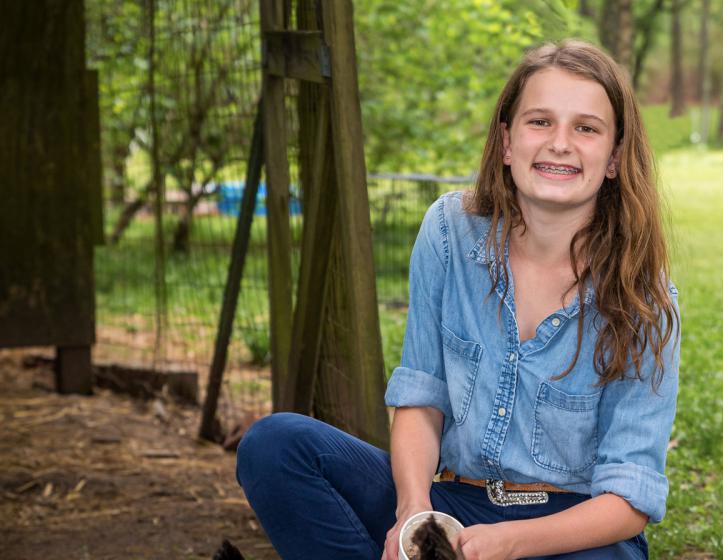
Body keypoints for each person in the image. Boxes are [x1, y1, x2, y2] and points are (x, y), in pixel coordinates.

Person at [236, 39, 681, 560]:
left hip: (571, 532)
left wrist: (507, 543)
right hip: (453, 502)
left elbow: (629, 497)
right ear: (507, 142)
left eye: (586, 128)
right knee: (276, 445)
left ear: (614, 157)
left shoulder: (643, 298)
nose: (560, 143)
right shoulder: (450, 232)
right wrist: (415, 516)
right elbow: (422, 398)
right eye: (539, 121)